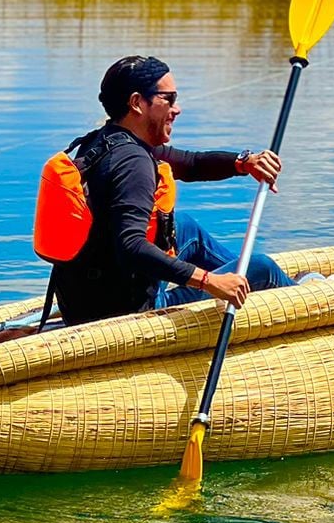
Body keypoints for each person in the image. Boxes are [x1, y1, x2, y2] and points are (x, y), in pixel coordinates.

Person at [51, 55, 296, 325]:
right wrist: (209, 281)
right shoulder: (133, 164)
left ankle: (237, 278)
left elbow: (190, 165)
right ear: (137, 103)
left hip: (84, 299)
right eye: (168, 98)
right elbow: (131, 246)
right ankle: (298, 293)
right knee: (261, 266)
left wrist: (244, 162)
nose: (176, 108)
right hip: (127, 313)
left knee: (184, 226)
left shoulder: (102, 141)